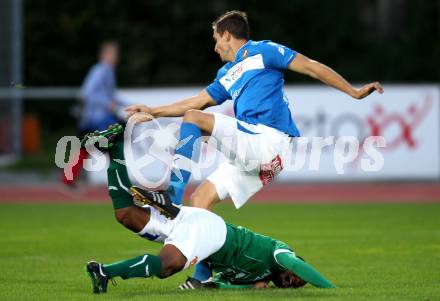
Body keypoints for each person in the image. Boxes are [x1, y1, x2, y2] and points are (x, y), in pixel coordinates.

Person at [123, 10, 383, 284]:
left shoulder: (263, 51)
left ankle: (172, 195)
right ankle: (202, 278)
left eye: (216, 39)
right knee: (200, 201)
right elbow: (198, 100)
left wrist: (353, 92)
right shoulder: (226, 73)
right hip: (258, 156)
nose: (215, 47)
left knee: (194, 121)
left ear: (227, 34)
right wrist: (154, 110)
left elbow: (311, 66)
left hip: (269, 141)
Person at [82, 127, 335, 294]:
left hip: (199, 228)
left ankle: (114, 148)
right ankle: (105, 272)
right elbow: (298, 266)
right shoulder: (279, 253)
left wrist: (249, 288)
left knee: (125, 214)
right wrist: (332, 290)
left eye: (294, 285)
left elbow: (220, 284)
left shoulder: (258, 279)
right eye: (297, 277)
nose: (295, 281)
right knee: (168, 266)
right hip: (212, 233)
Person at [61, 41, 122, 186]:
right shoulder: (101, 70)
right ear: (104, 55)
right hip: (95, 119)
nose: (116, 57)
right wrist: (106, 103)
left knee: (85, 148)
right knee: (114, 145)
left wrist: (126, 104)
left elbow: (109, 97)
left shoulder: (107, 71)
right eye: (113, 54)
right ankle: (119, 180)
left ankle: (67, 180)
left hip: (95, 119)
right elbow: (87, 93)